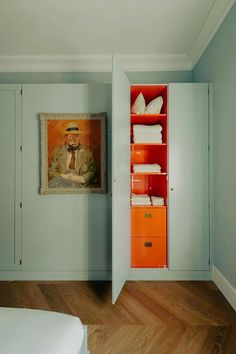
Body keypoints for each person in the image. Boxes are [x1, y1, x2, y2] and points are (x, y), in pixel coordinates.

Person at [48, 122, 96, 188]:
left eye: (77, 136)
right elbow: (51, 171)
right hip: (61, 183)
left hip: (79, 185)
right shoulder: (58, 151)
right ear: (66, 138)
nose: (75, 139)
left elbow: (93, 171)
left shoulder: (86, 152)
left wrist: (80, 179)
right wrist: (63, 176)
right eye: (71, 137)